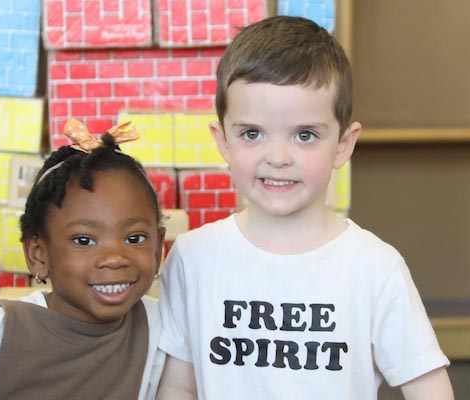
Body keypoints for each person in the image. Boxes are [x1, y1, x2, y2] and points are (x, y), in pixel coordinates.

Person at [155, 16, 454, 399]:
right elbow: (179, 386)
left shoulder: (375, 267)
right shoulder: (192, 258)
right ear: (223, 139)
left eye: (305, 135)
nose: (278, 157)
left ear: (344, 145)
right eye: (252, 133)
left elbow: (428, 386)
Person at [0, 127, 167, 400]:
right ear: (38, 254)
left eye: (135, 238)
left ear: (157, 250)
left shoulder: (163, 330)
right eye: (84, 240)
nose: (115, 258)